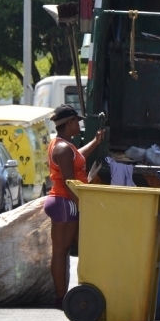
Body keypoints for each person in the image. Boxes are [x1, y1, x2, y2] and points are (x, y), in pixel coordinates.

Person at [44, 104, 105, 308]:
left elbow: (77, 157)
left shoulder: (65, 146)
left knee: (70, 249)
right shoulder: (62, 148)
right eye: (77, 121)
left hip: (65, 201)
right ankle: (61, 298)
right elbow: (69, 183)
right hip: (65, 202)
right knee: (61, 251)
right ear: (69, 123)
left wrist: (95, 142)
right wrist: (83, 206)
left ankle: (70, 294)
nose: (79, 125)